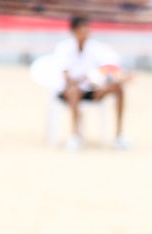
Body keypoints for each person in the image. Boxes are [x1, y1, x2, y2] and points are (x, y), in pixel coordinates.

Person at [50, 16, 131, 150]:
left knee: (118, 87)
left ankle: (119, 135)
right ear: (74, 31)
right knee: (74, 90)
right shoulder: (64, 48)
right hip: (70, 91)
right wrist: (84, 79)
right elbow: (66, 76)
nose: (86, 31)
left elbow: (109, 67)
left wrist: (112, 80)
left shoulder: (96, 48)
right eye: (82, 28)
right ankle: (75, 135)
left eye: (87, 28)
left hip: (92, 89)